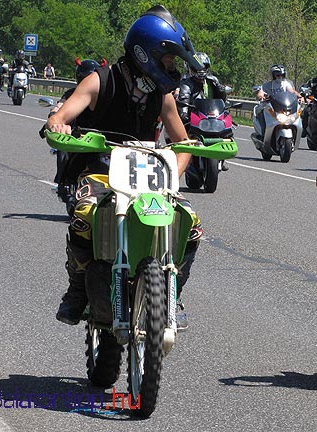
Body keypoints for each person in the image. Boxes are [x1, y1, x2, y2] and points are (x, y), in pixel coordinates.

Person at [45, 5, 204, 330]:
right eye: (169, 60)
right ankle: (77, 289)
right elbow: (61, 116)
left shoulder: (163, 96)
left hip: (148, 177)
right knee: (83, 216)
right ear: (146, 54)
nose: (172, 68)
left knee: (192, 225)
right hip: (100, 172)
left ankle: (172, 292)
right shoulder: (99, 80)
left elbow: (183, 141)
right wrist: (59, 124)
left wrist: (175, 169)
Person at [46, 57, 108, 209]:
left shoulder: (106, 97)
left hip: (100, 138)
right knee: (62, 147)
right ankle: (64, 182)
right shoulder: (73, 94)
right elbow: (60, 107)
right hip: (76, 135)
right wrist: (55, 117)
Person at [253, 64, 303, 140]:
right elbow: (261, 92)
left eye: (282, 76)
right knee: (263, 113)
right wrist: (261, 95)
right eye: (278, 75)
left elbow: (292, 91)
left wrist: (299, 96)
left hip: (282, 106)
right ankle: (262, 134)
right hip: (271, 106)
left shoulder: (286, 84)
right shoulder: (267, 85)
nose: (280, 77)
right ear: (273, 76)